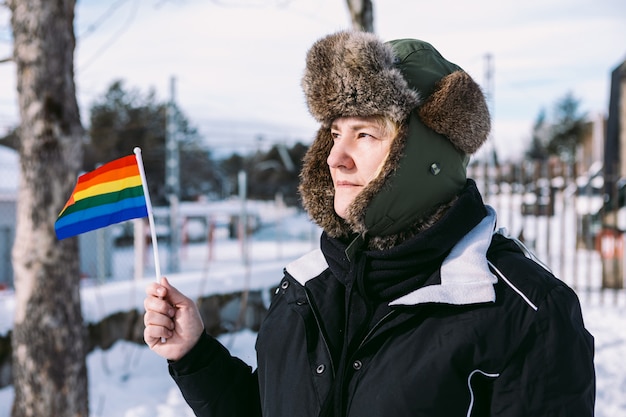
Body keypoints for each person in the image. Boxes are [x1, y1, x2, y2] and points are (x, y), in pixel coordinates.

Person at [143, 30, 595, 417]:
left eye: (365, 134)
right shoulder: (306, 287)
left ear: (425, 156)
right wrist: (196, 356)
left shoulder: (524, 313)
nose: (335, 158)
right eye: (335, 133)